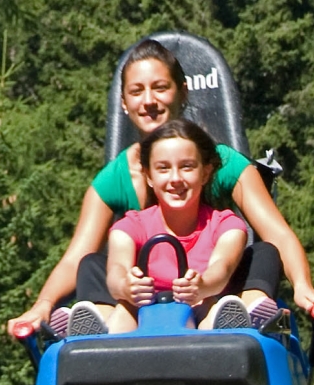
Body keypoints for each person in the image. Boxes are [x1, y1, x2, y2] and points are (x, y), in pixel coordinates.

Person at [5, 38, 314, 341]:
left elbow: (276, 233)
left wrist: (304, 288)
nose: (148, 101)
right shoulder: (115, 178)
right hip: (146, 296)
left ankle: (242, 315)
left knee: (264, 253)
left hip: (213, 289)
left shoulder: (224, 163)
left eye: (160, 88)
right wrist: (43, 305)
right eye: (137, 92)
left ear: (182, 91)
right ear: (124, 103)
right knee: (92, 263)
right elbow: (76, 256)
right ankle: (104, 326)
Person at [77, 118, 254, 334]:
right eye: (163, 169)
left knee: (210, 303)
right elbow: (117, 269)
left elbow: (223, 267)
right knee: (115, 293)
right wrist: (126, 286)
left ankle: (226, 329)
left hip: (200, 307)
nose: (175, 179)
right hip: (143, 313)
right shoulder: (130, 227)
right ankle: (97, 333)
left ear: (205, 173)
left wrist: (202, 286)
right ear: (149, 176)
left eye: (187, 167)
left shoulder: (226, 225)